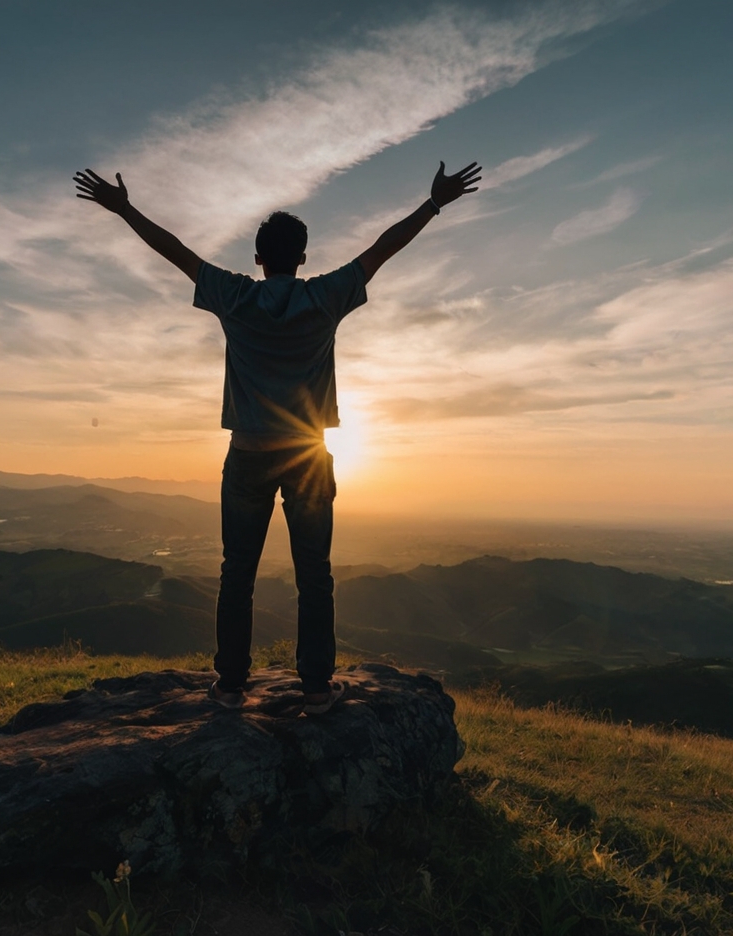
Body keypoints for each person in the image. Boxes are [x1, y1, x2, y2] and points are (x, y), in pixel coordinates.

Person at [74, 159, 481, 714]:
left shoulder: (235, 296)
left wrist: (124, 211)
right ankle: (316, 689)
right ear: (304, 256)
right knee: (315, 575)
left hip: (247, 456)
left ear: (259, 258)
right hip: (308, 458)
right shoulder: (324, 298)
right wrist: (433, 205)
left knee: (236, 573)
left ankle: (230, 686)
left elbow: (176, 253)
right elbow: (384, 249)